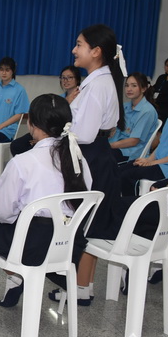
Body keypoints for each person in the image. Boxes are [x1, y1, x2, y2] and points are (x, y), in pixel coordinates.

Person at [0, 94, 92, 307]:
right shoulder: (79, 160)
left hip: (31, 247)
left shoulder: (23, 162)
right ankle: (20, 278)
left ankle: (16, 276)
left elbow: (2, 212)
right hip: (70, 244)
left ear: (31, 123)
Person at [49, 24, 125, 306]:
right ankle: (84, 286)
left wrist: (58, 131)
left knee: (84, 224)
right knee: (90, 224)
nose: (74, 50)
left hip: (91, 157)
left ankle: (79, 287)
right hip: (98, 155)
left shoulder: (97, 85)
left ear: (96, 51)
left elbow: (85, 133)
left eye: (79, 44)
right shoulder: (100, 81)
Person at [113, 159, 168, 288]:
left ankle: (134, 265)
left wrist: (165, 193)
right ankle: (149, 265)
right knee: (145, 218)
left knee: (126, 208)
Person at [118, 79, 168, 196]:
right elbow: (161, 145)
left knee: (128, 176)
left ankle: (131, 205)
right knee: (120, 170)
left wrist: (154, 162)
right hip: (158, 162)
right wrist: (149, 160)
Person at [10, 65, 81, 156]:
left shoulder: (81, 97)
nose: (65, 80)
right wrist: (39, 135)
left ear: (77, 79)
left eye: (69, 77)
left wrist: (42, 138)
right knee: (16, 145)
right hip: (47, 130)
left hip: (63, 133)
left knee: (31, 149)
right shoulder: (59, 98)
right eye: (63, 78)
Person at [109, 72, 159, 164]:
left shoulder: (147, 111)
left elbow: (134, 141)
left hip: (131, 152)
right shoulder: (125, 106)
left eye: (134, 86)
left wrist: (110, 145)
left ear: (143, 89)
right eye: (127, 85)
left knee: (100, 157)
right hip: (117, 144)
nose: (129, 89)